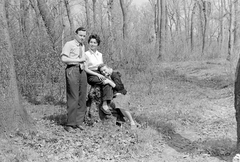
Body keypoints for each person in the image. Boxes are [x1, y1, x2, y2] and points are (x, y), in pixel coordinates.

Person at [61, 27, 87, 132]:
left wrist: (83, 63)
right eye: (80, 35)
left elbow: (83, 59)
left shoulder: (82, 46)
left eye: (84, 36)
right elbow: (64, 59)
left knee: (82, 96)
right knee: (74, 97)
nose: (82, 38)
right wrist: (78, 60)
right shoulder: (69, 44)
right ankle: (70, 124)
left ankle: (78, 122)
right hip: (72, 70)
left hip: (82, 71)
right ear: (75, 34)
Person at [98, 63, 138, 129]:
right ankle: (121, 122)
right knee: (114, 103)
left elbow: (120, 87)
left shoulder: (114, 74)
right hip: (116, 95)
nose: (103, 72)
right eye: (102, 71)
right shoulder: (107, 75)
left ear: (108, 68)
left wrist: (109, 82)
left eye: (104, 70)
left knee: (121, 105)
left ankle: (132, 122)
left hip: (122, 94)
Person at [84, 34, 113, 115]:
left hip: (100, 72)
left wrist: (107, 73)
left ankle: (108, 102)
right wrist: (98, 75)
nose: (92, 44)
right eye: (91, 42)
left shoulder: (100, 54)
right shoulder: (86, 54)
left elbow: (102, 66)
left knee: (109, 80)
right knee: (106, 81)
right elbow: (86, 69)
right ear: (88, 43)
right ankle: (104, 105)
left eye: (95, 42)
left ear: (97, 44)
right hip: (91, 74)